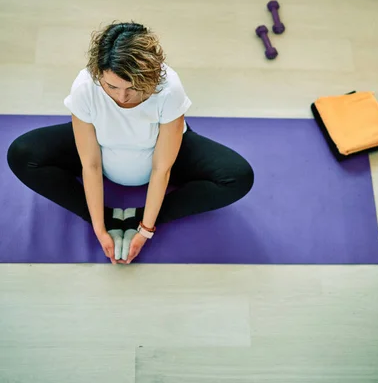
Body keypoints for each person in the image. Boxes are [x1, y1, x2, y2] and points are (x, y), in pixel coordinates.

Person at [7, 22, 254, 264]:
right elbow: (91, 165)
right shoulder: (85, 86)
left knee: (237, 176)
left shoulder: (169, 89)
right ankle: (110, 217)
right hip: (102, 150)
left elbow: (161, 168)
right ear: (97, 73)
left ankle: (135, 217)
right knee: (23, 153)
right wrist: (100, 228)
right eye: (112, 86)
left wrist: (145, 228)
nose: (122, 97)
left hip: (158, 155)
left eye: (133, 88)